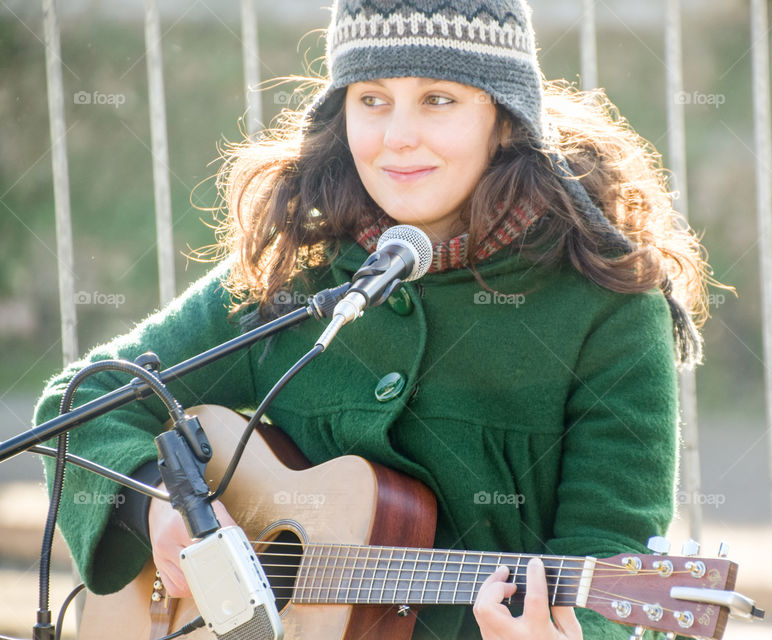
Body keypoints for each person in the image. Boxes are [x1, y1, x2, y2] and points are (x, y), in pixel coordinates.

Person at [33, 0, 710, 638]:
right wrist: (156, 503)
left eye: (438, 99)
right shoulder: (293, 275)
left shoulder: (613, 306)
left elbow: (615, 552)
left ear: (506, 118)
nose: (397, 137)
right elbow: (85, 399)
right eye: (372, 100)